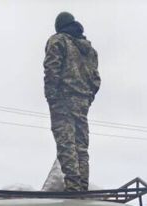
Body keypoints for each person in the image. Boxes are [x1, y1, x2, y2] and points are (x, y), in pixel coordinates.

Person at [43, 11, 100, 192]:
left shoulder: (57, 41)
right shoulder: (89, 49)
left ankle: (73, 187)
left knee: (66, 144)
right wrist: (86, 98)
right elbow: (96, 80)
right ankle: (82, 186)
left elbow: (51, 70)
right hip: (82, 103)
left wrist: (52, 98)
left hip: (63, 101)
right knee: (81, 147)